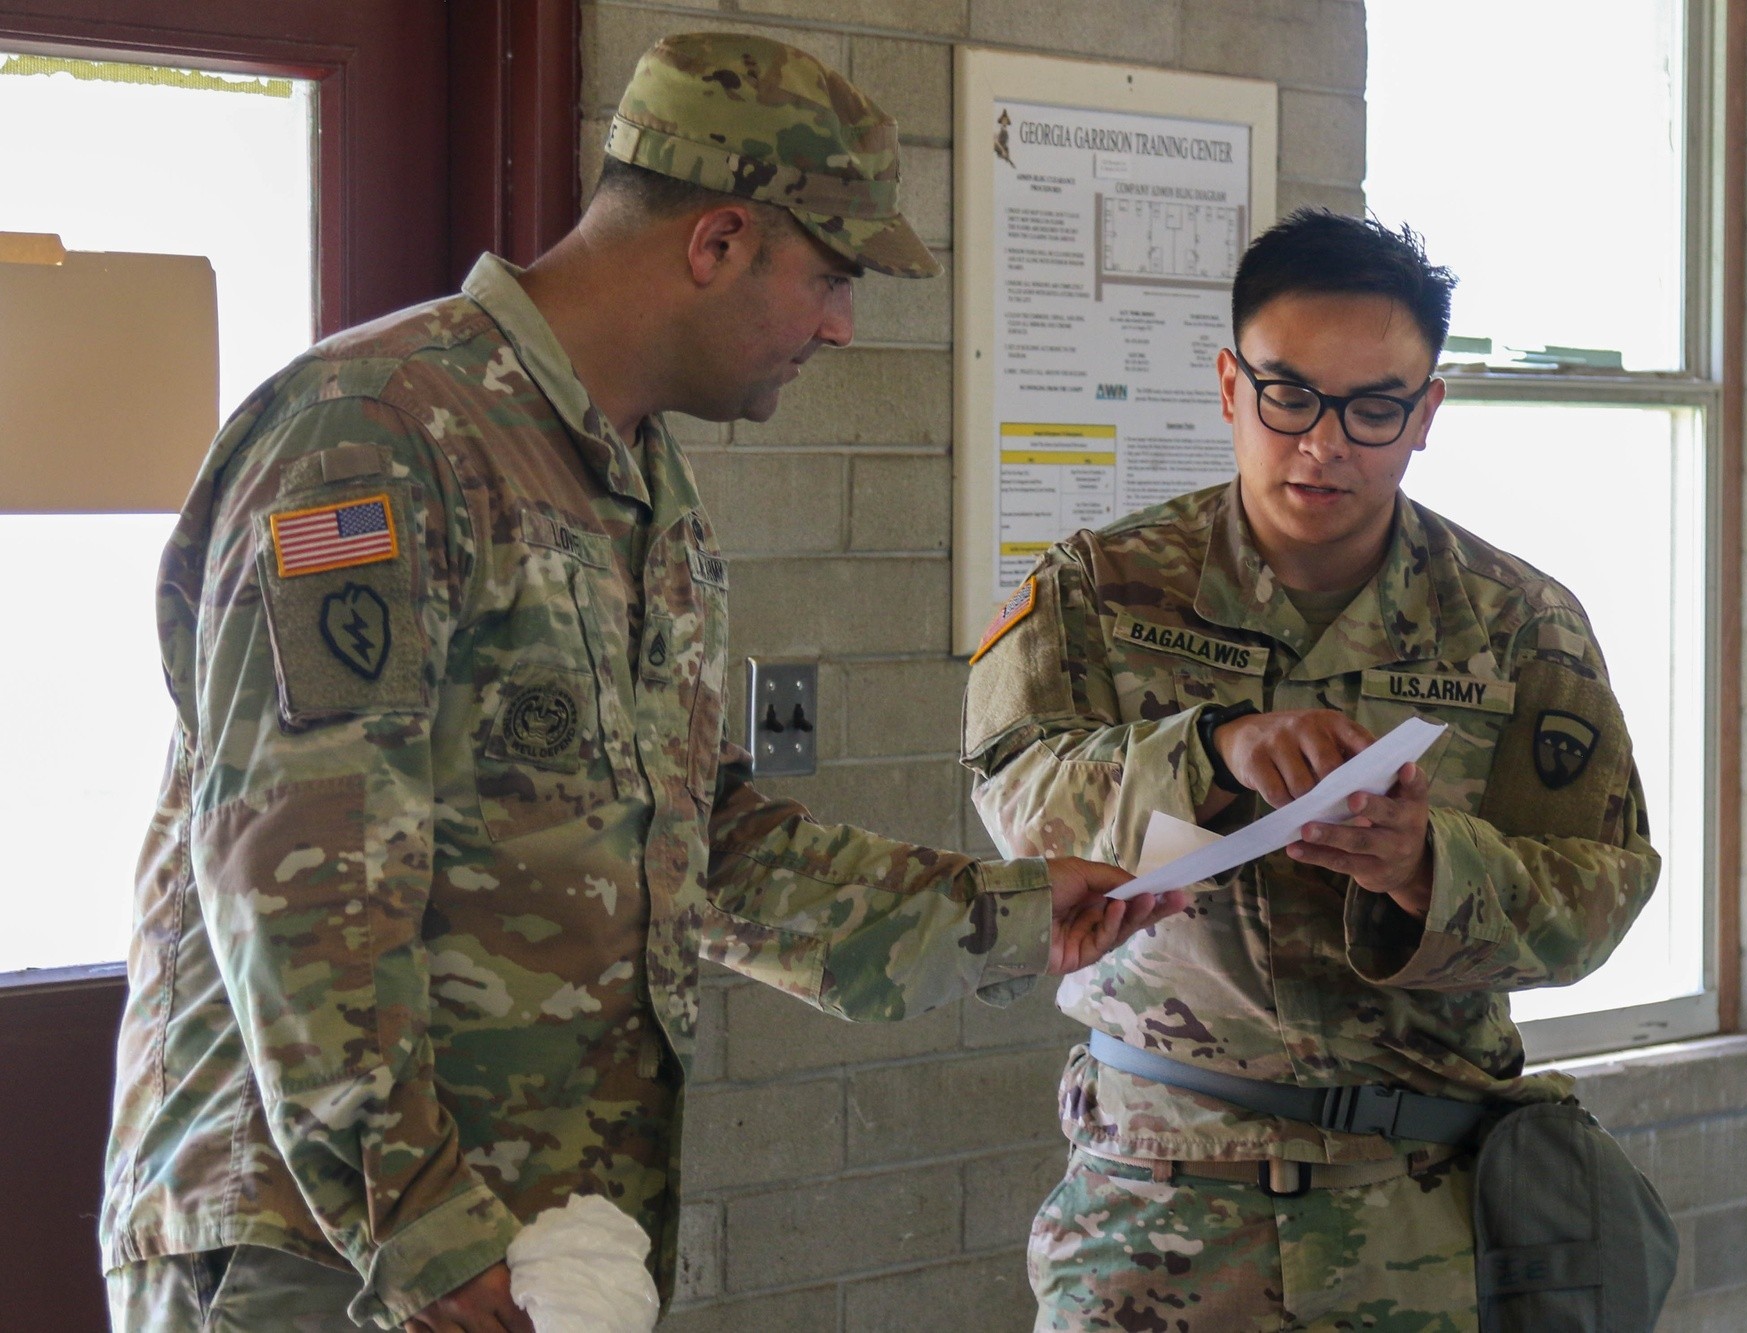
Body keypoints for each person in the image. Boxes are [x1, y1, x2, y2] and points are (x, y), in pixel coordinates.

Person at [100, 33, 1184, 1333]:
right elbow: (299, 884)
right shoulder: (376, 435)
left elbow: (692, 846)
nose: (842, 325)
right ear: (719, 241)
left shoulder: (632, 483)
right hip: (328, 1247)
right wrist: (427, 1236)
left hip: (527, 1230)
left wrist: (1009, 913)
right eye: (832, 278)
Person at [961, 210, 1662, 1331]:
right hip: (1156, 1208)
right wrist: (1205, 754)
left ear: (1426, 412)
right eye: (1288, 395)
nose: (1323, 443)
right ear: (1230, 387)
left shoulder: (1520, 624)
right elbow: (1015, 802)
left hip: (1419, 1218)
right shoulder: (1096, 589)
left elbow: (1599, 895)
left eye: (1372, 407)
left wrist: (1433, 869)